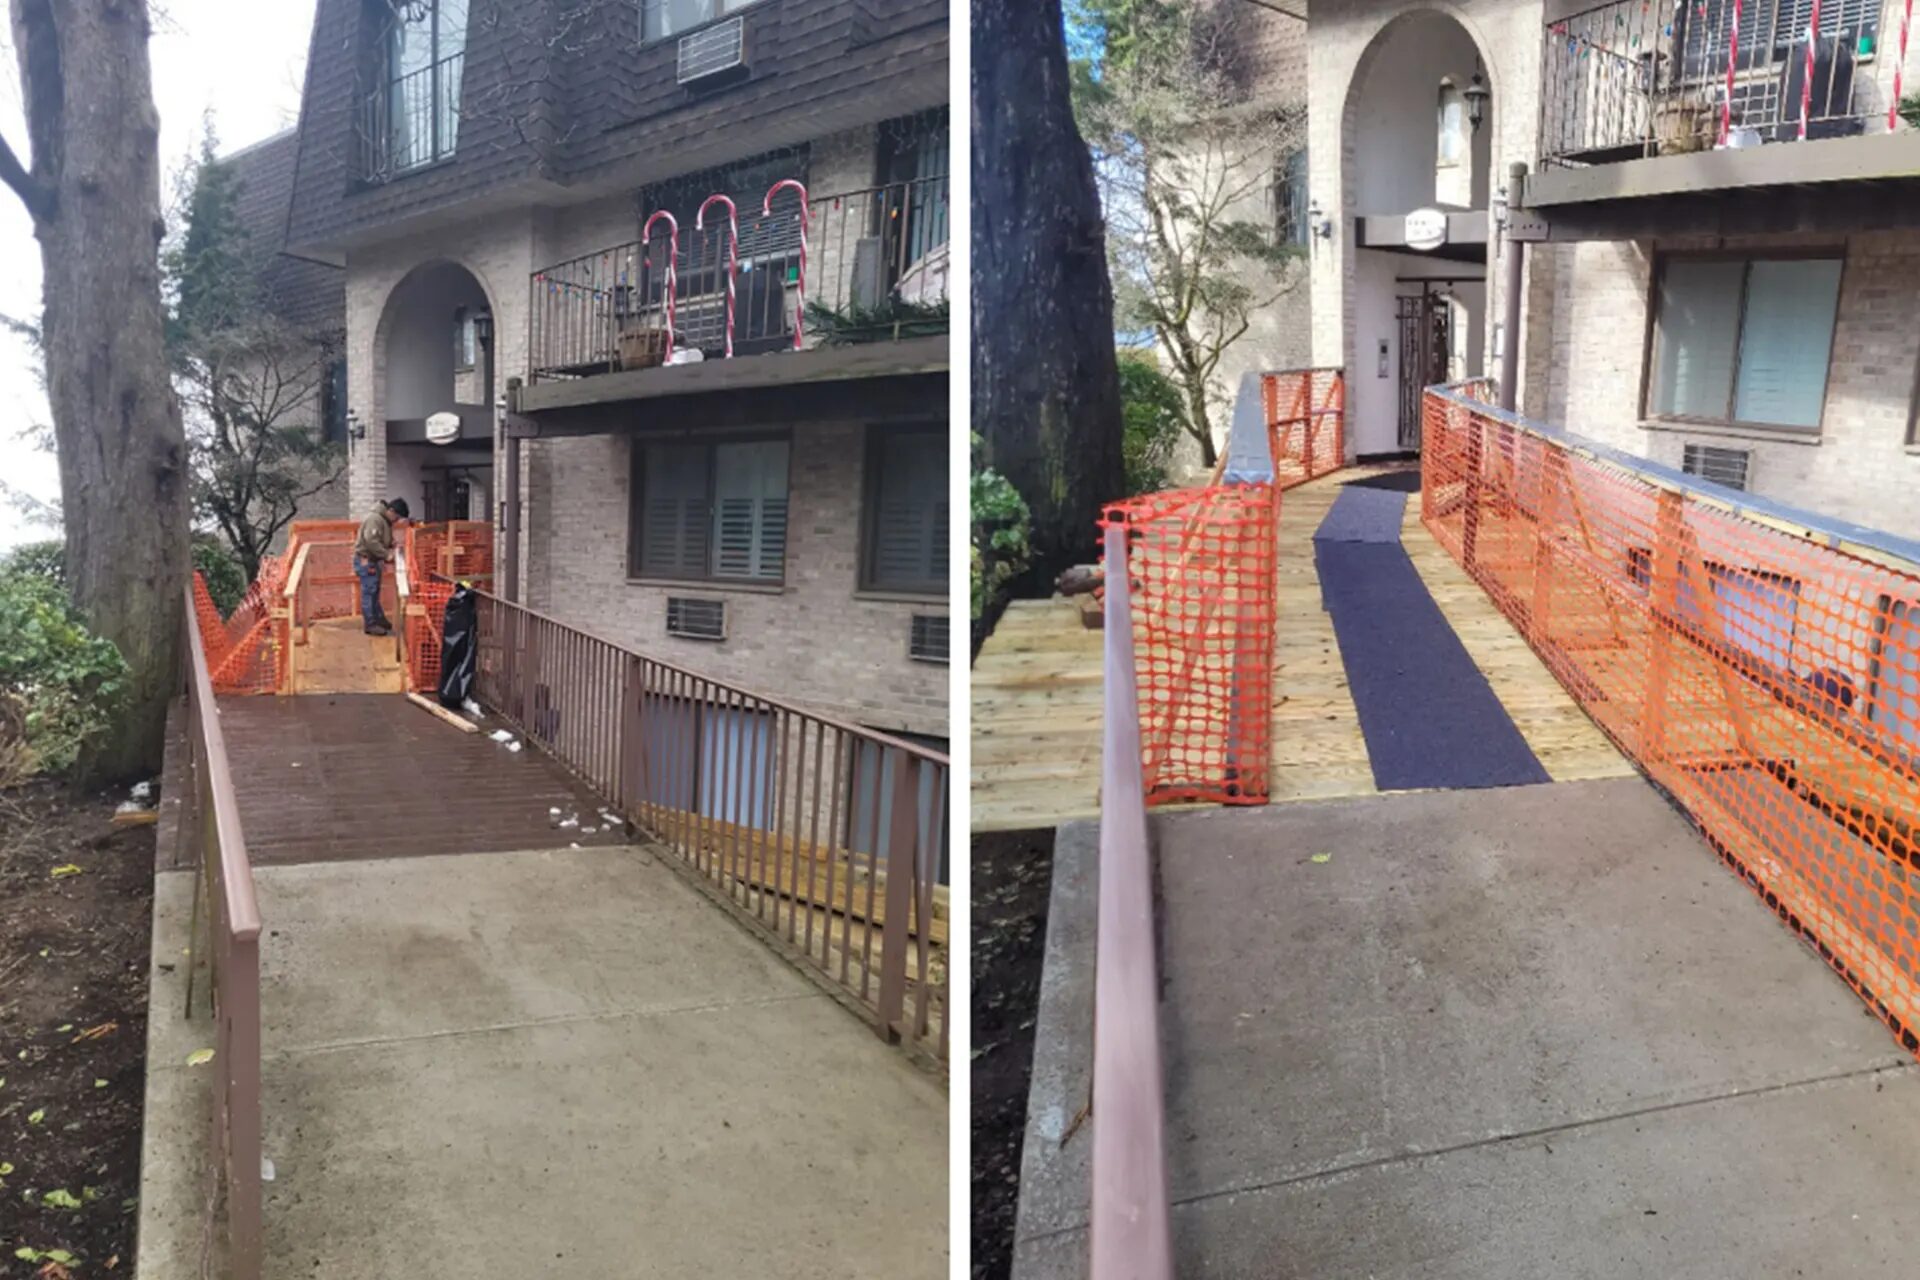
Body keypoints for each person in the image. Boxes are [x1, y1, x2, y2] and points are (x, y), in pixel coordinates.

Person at [352, 498, 411, 636]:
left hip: (374, 560)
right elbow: (371, 541)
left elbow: (382, 538)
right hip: (367, 560)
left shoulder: (384, 520)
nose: (396, 521)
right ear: (391, 511)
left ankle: (378, 619)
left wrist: (391, 543)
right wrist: (386, 555)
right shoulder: (375, 519)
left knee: (374, 591)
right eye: (396, 517)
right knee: (369, 592)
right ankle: (370, 624)